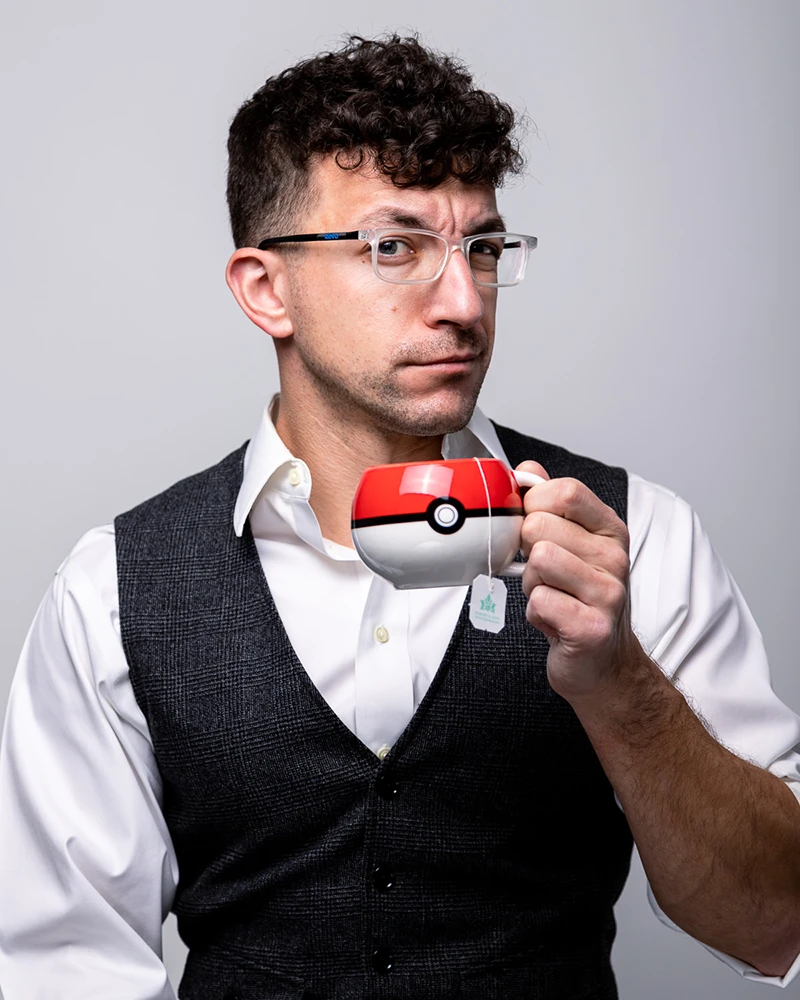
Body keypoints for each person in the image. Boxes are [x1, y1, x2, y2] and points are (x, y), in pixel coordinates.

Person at [1, 33, 799, 1000]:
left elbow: (774, 924)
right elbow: (64, 975)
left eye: (485, 248)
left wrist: (620, 683)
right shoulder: (114, 590)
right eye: (395, 248)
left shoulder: (638, 541)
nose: (463, 301)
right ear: (266, 289)